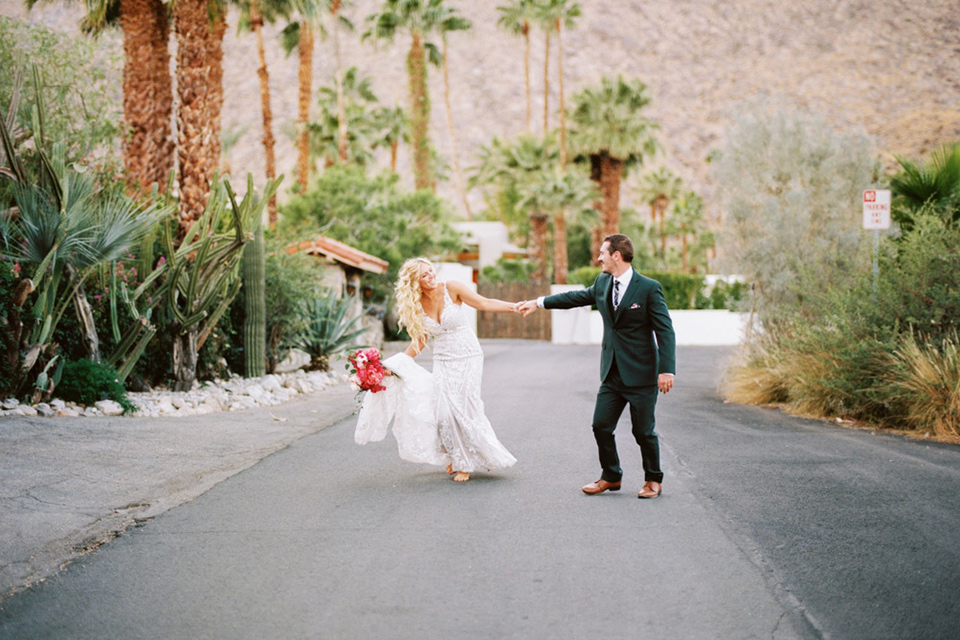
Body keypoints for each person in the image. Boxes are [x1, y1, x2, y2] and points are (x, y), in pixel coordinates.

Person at [518, 234, 676, 499]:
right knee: (600, 426)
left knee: (643, 431)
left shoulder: (649, 288)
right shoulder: (602, 282)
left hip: (641, 374)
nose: (598, 257)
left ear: (617, 255)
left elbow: (665, 330)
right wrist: (539, 302)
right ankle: (611, 476)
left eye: (602, 252)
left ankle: (652, 479)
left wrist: (667, 370)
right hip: (612, 373)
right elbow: (576, 297)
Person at [355, 258, 517, 482]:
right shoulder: (417, 304)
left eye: (431, 271)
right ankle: (455, 454)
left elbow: (484, 303)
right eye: (424, 275)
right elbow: (419, 341)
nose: (431, 276)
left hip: (468, 356)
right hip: (443, 360)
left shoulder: (452, 288)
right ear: (415, 282)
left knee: (464, 408)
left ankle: (465, 464)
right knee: (443, 413)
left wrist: (514, 307)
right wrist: (395, 366)